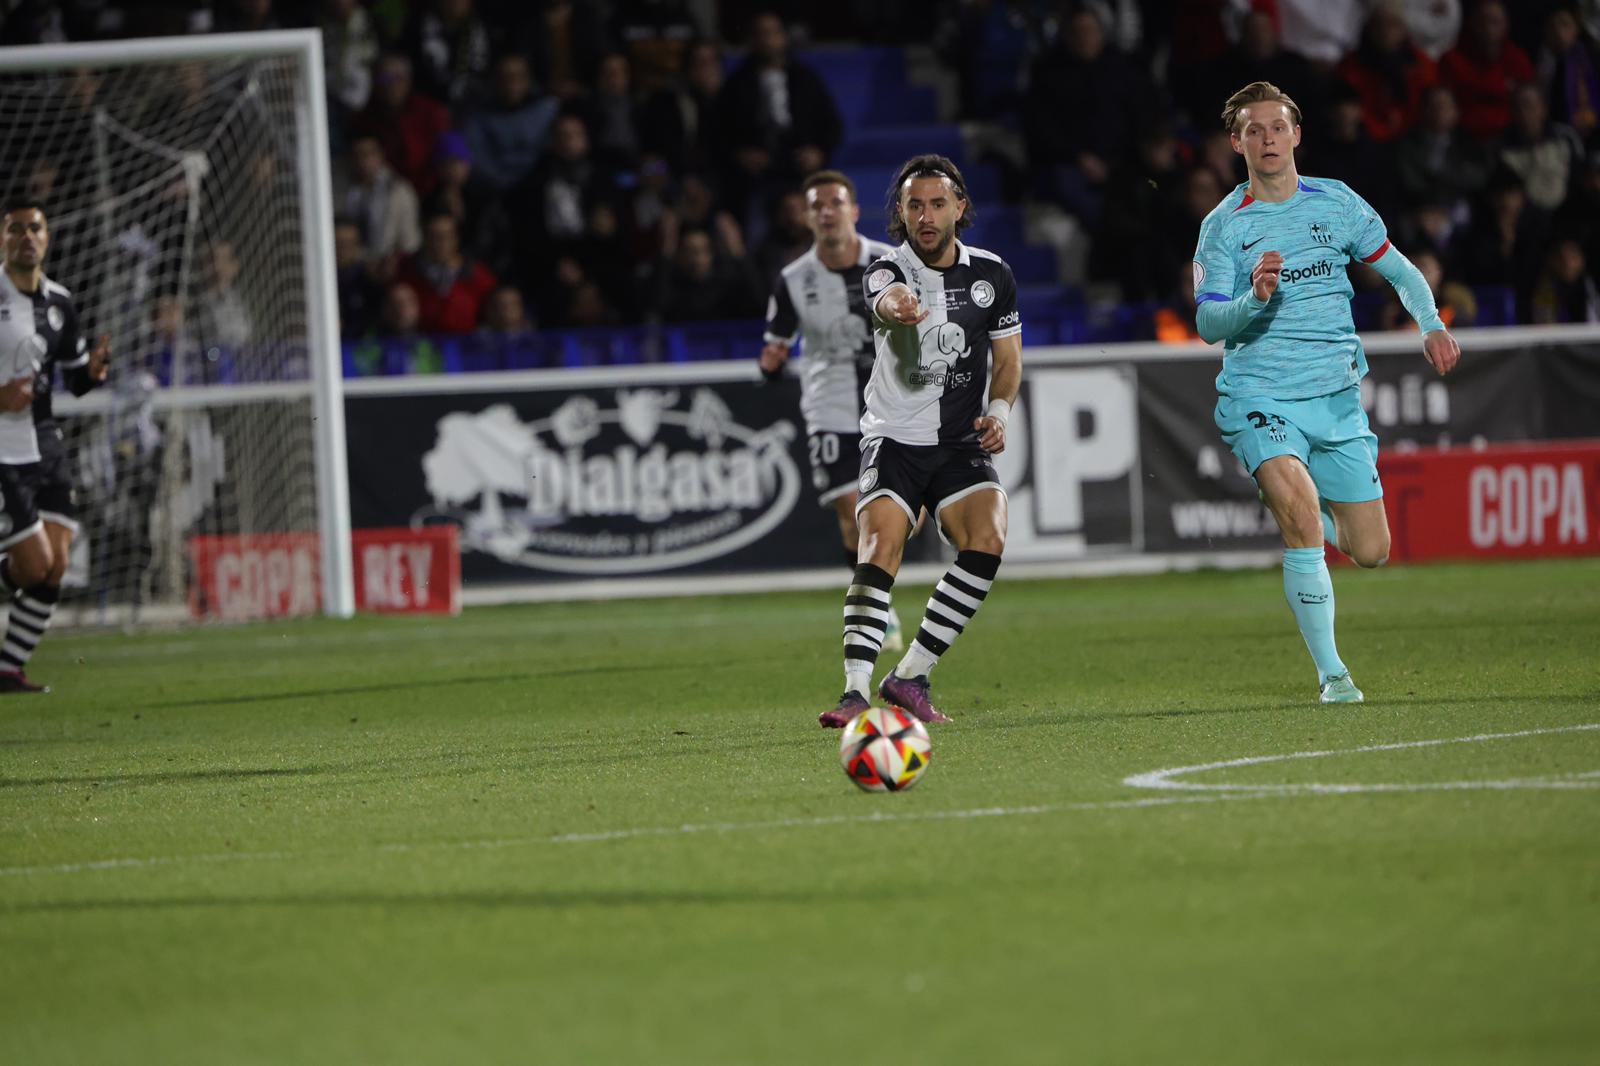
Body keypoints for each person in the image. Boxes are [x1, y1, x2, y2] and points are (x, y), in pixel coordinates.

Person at [1193, 82, 1461, 704]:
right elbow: (1208, 324)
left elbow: (1399, 269)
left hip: (1336, 397)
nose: (1267, 139)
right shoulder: (1223, 227)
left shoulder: (1337, 204)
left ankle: (1297, 505)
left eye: (1277, 127)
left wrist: (1433, 325)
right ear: (1236, 142)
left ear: (1296, 134)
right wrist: (1252, 301)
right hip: (1260, 393)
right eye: (1253, 130)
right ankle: (1333, 676)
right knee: (1302, 518)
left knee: (1371, 550)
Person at [820, 154, 1021, 729]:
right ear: (900, 214)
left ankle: (910, 674)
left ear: (960, 207)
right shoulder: (886, 269)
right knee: (880, 545)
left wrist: (1000, 411)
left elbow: (1008, 361)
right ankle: (855, 692)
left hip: (960, 442)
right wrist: (898, 306)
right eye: (914, 205)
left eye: (937, 204)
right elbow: (884, 298)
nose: (926, 216)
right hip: (895, 439)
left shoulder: (993, 276)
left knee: (988, 535)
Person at [758, 171, 904, 655]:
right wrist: (771, 363)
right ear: (807, 217)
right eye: (816, 205)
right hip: (831, 404)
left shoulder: (890, 262)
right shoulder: (793, 279)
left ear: (853, 211)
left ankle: (874, 590)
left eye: (835, 202)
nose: (826, 211)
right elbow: (774, 347)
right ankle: (875, 604)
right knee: (850, 510)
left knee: (897, 514)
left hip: (893, 400)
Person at [0, 199, 110, 693]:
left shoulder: (59, 301)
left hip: (44, 442)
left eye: (35, 228)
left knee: (56, 565)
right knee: (33, 566)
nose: (27, 236)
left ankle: (7, 669)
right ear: (3, 238)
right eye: (16, 228)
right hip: (2, 446)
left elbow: (75, 381)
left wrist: (92, 374)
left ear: (48, 238)